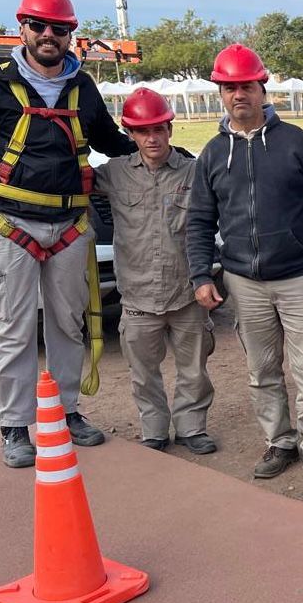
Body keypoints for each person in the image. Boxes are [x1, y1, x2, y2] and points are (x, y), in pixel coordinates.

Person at [0, 0, 135, 468]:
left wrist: (159, 152)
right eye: (39, 25)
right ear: (22, 28)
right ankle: (15, 425)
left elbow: (110, 141)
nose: (49, 35)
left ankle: (67, 411)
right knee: (13, 329)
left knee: (68, 324)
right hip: (12, 225)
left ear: (70, 35)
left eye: (59, 28)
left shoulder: (82, 88)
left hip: (69, 226)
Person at [186, 44, 303, 483]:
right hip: (244, 281)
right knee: (261, 370)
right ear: (221, 94)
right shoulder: (212, 154)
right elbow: (199, 220)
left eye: (246, 86)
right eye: (229, 88)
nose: (238, 94)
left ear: (262, 88)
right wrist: (201, 274)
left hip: (299, 277)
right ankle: (279, 441)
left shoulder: (295, 143)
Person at [94, 89, 216, 455]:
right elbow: (66, 179)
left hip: (187, 293)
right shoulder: (114, 173)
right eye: (143, 131)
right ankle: (154, 429)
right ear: (130, 134)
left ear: (170, 130)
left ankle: (192, 427)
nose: (152, 138)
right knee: (143, 371)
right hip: (137, 295)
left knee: (194, 368)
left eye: (159, 129)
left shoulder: (194, 172)